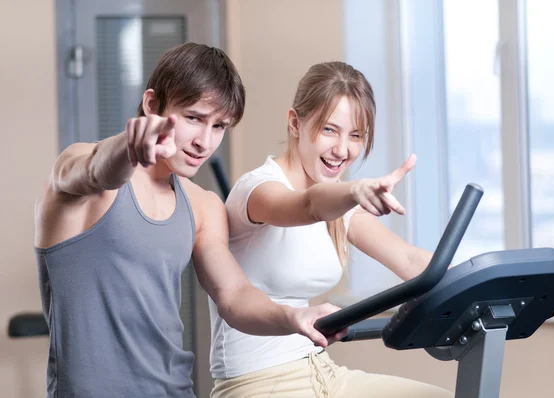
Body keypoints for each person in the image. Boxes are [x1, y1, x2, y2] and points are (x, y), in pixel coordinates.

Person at [34, 43, 345, 398]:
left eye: (219, 126)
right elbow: (94, 170)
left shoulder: (202, 206)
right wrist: (128, 147)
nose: (204, 141)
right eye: (193, 118)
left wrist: (292, 318)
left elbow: (234, 295)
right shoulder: (81, 175)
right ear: (151, 105)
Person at [208, 61, 454, 397]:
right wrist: (354, 191)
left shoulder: (339, 203)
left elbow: (409, 261)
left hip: (321, 372)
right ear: (295, 123)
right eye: (329, 130)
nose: (342, 149)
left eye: (356, 135)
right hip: (258, 384)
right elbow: (308, 205)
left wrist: (490, 282)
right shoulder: (258, 190)